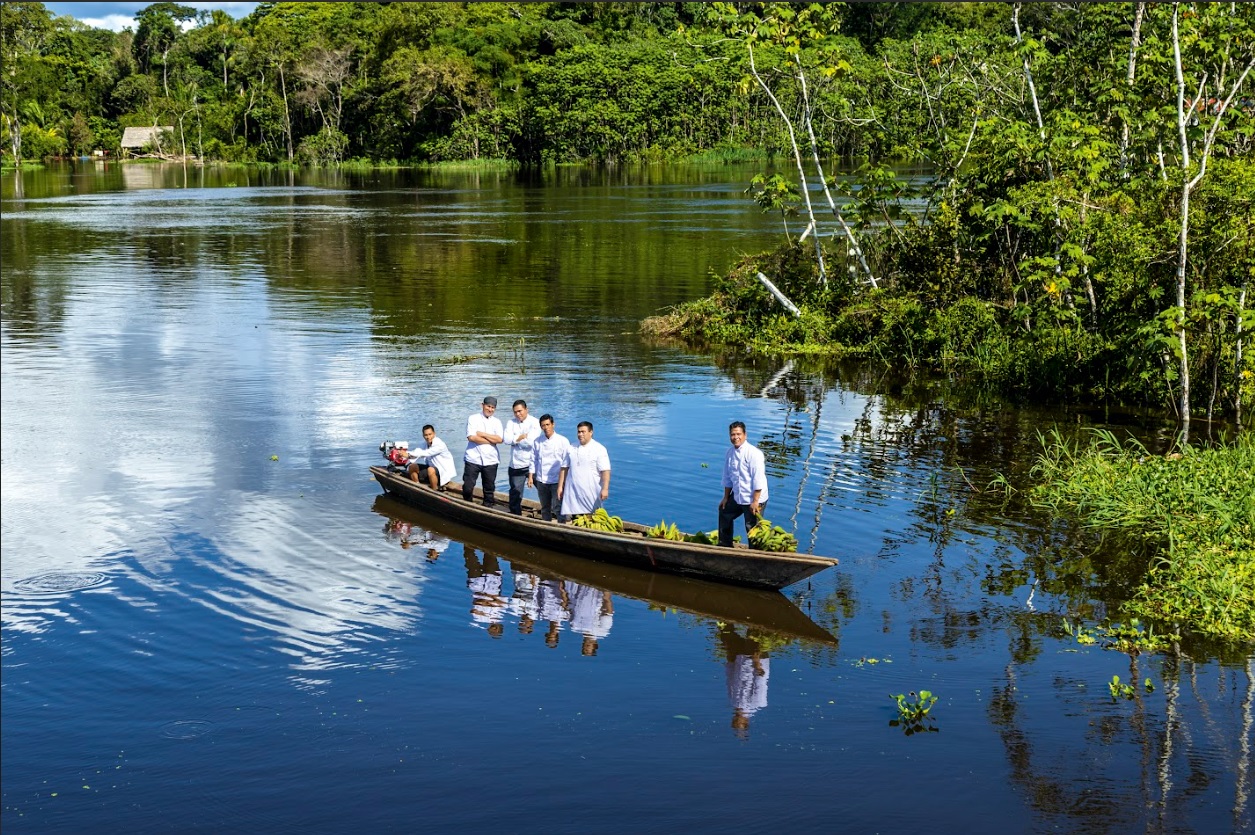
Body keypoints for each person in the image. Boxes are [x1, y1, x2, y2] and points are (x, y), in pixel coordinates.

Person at [718, 420, 769, 547]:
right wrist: (725, 498)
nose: (736, 437)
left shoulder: (754, 453)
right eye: (733, 435)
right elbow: (727, 477)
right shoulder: (729, 453)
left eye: (738, 434)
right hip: (738, 495)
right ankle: (725, 544)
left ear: (745, 435)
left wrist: (755, 501)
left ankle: (755, 554)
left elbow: (758, 479)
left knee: (752, 527)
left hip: (754, 498)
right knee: (724, 512)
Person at [721, 624, 769, 738]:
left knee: (726, 636)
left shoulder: (733, 703)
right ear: (745, 722)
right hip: (754, 660)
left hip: (740, 660)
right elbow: (761, 682)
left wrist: (730, 661)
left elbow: (730, 681)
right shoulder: (758, 704)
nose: (735, 721)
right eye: (738, 723)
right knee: (753, 632)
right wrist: (757, 663)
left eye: (734, 723)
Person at [557, 421, 611, 519]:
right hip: (573, 492)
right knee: (575, 518)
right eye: (579, 432)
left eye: (583, 432)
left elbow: (605, 470)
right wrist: (560, 486)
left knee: (592, 518)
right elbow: (564, 468)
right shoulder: (571, 448)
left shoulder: (599, 449)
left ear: (591, 432)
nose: (580, 434)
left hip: (591, 492)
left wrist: (605, 488)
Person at [528, 414, 571, 521]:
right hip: (541, 480)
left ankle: (562, 527)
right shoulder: (537, 441)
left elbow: (567, 463)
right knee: (545, 507)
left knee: (558, 507)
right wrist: (530, 477)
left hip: (557, 480)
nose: (546, 427)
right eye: (543, 425)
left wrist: (565, 480)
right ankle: (546, 524)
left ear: (553, 424)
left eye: (548, 424)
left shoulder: (563, 441)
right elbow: (533, 460)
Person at [463, 396, 504, 506]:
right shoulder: (473, 418)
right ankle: (467, 505)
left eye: (493, 407)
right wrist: (491, 441)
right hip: (473, 458)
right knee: (467, 487)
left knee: (489, 489)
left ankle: (488, 508)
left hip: (491, 460)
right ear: (482, 405)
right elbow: (471, 437)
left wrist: (482, 434)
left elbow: (499, 439)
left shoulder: (497, 422)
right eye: (488, 406)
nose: (490, 409)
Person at [502, 399, 541, 516]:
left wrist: (516, 439)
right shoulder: (510, 422)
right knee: (515, 492)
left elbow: (530, 442)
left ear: (526, 410)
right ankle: (515, 516)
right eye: (515, 412)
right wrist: (519, 438)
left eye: (520, 411)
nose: (518, 414)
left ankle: (555, 514)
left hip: (532, 464)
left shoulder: (535, 422)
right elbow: (506, 440)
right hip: (516, 464)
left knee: (544, 489)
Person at [406, 424, 456, 490]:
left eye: (430, 434)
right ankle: (417, 486)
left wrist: (408, 455)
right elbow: (417, 451)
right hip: (431, 469)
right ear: (423, 436)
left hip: (442, 472)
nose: (428, 437)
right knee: (412, 467)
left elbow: (426, 453)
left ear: (434, 434)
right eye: (426, 435)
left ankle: (434, 490)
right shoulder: (425, 444)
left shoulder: (439, 444)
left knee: (430, 469)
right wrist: (404, 455)